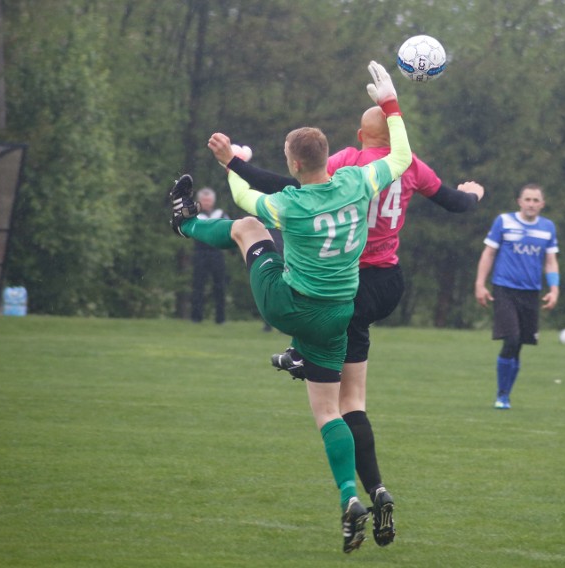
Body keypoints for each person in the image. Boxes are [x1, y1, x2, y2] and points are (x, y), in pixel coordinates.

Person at [208, 106, 484, 546]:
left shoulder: (347, 164)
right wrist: (474, 195)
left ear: (357, 135)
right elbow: (455, 202)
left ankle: (371, 486)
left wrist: (235, 164)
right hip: (388, 283)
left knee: (344, 398)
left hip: (348, 287)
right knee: (346, 383)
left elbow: (289, 187)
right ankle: (304, 357)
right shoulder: (407, 164)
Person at [169, 61, 411, 553]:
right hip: (338, 314)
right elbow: (402, 156)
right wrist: (391, 102)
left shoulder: (292, 204)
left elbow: (243, 196)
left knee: (245, 229)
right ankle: (349, 496)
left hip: (290, 304)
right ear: (328, 159)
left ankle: (184, 224)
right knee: (330, 412)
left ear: (296, 166)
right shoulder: (359, 182)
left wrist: (231, 159)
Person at [474, 183, 559, 409]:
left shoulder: (548, 228)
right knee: (510, 339)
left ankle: (506, 395)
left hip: (531, 293)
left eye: (535, 200)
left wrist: (554, 289)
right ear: (519, 202)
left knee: (519, 344)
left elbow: (550, 261)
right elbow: (489, 253)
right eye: (527, 199)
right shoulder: (504, 222)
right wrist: (480, 284)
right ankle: (501, 394)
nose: (531, 204)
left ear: (542, 204)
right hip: (504, 289)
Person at [190, 187, 228, 324]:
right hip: (200, 253)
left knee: (220, 285)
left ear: (213, 201)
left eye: (209, 200)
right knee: (198, 285)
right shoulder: (194, 215)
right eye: (204, 200)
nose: (206, 202)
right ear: (199, 201)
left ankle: (220, 318)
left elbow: (228, 231)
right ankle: (196, 317)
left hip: (216, 253)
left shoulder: (221, 214)